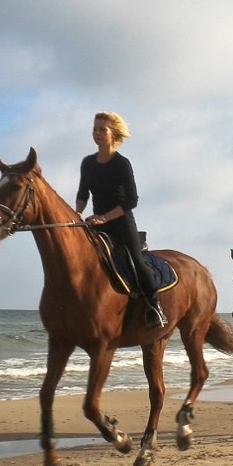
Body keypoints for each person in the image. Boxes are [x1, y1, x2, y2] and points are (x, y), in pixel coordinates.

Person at [75, 111, 166, 329]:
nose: (97, 133)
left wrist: (104, 217)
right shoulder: (88, 163)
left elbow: (131, 201)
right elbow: (82, 194)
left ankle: (155, 307)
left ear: (113, 133)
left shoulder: (121, 164)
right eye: (94, 129)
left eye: (102, 129)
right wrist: (76, 214)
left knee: (136, 260)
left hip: (121, 223)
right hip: (95, 224)